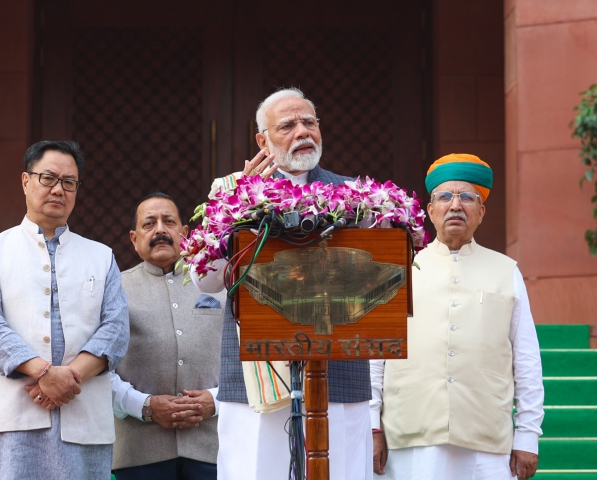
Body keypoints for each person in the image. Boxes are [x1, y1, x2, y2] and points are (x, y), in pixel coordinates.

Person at [193, 88, 374, 480]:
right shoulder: (229, 191)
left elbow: (377, 275)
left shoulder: (354, 196)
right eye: (288, 125)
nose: (302, 132)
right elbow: (205, 280)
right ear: (262, 141)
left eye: (309, 122)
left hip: (339, 369)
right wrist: (240, 206)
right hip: (254, 371)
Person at [0, 140, 130, 479]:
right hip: (13, 416)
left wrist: (68, 379)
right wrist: (43, 372)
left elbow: (116, 328)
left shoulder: (102, 256)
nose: (58, 189)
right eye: (48, 178)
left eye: (69, 182)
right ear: (26, 181)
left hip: (84, 413)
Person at [370, 153, 544, 480]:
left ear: (481, 212)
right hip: (410, 434)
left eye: (467, 197)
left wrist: (528, 434)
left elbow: (527, 357)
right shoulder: (398, 269)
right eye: (444, 197)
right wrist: (372, 427)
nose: (455, 205)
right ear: (430, 210)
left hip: (487, 440)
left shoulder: (506, 272)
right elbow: (376, 355)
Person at [111, 192, 226, 479]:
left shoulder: (219, 285)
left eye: (169, 222)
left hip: (214, 446)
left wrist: (216, 400)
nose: (160, 230)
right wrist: (146, 406)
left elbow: (248, 361)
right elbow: (98, 367)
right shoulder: (113, 289)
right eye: (149, 224)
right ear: (134, 238)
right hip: (139, 451)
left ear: (185, 233)